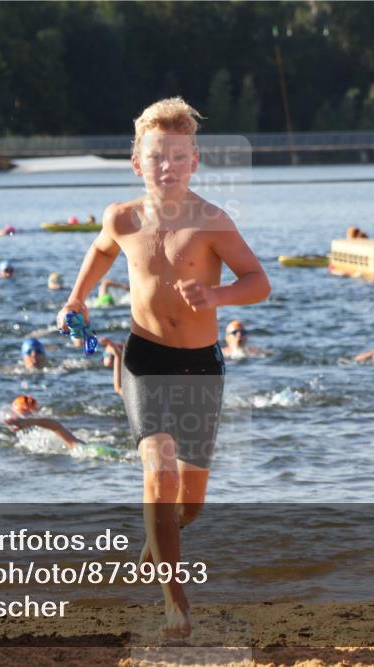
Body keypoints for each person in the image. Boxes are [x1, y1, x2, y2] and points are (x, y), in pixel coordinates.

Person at [55, 97, 270, 637]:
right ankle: (177, 602)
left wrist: (218, 295)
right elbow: (102, 250)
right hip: (144, 356)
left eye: (178, 156)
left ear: (194, 161)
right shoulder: (122, 217)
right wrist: (77, 298)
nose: (167, 167)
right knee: (160, 468)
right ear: (137, 163)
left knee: (189, 505)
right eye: (156, 157)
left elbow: (259, 283)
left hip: (201, 364)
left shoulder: (214, 222)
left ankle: (162, 538)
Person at [3, 395, 120, 457]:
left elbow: (56, 427)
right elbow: (56, 427)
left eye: (29, 414)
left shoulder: (79, 449)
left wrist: (32, 422)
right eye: (24, 415)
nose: (26, 417)